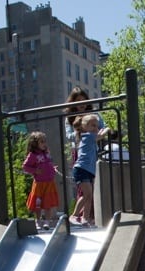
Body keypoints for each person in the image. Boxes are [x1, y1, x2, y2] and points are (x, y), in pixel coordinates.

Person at [65, 87, 108, 223]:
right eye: (78, 101)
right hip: (79, 153)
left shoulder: (94, 115)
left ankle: (88, 217)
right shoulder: (70, 119)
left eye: (84, 101)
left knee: (92, 187)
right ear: (73, 103)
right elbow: (69, 136)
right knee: (84, 189)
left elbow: (102, 127)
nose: (81, 104)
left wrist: (95, 130)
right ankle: (80, 215)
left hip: (92, 153)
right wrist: (84, 132)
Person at [71, 114, 109, 227]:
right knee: (87, 194)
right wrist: (107, 128)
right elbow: (101, 135)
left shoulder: (90, 137)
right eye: (92, 125)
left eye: (96, 126)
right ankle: (74, 215)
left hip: (88, 170)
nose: (95, 128)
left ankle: (85, 218)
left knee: (89, 195)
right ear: (84, 127)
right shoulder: (87, 136)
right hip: (81, 168)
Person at [22, 131, 60, 230]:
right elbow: (25, 166)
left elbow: (48, 163)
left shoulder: (47, 153)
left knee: (48, 204)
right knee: (38, 204)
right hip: (39, 183)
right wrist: (35, 171)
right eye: (42, 142)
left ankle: (47, 222)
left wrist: (52, 168)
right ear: (35, 144)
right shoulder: (33, 155)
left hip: (49, 182)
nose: (44, 144)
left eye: (45, 141)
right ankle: (38, 221)